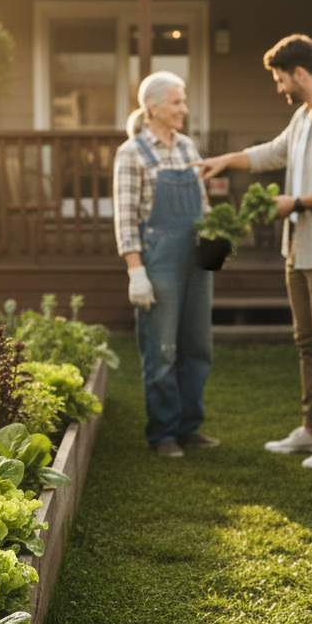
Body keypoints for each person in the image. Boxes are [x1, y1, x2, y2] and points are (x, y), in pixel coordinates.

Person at [195, 34, 312, 469]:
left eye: (279, 79)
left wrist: (294, 203)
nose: (278, 88)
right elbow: (272, 153)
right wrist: (225, 160)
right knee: (306, 342)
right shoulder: (304, 117)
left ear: (299, 73)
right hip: (298, 247)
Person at [113, 70, 218, 458]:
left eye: (183, 101)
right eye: (176, 102)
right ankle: (163, 434)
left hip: (196, 258)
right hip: (158, 259)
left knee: (197, 346)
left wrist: (216, 244)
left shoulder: (188, 147)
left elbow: (203, 206)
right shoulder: (132, 153)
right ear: (153, 107)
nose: (183, 110)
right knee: (162, 349)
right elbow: (125, 220)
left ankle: (189, 427)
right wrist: (135, 271)